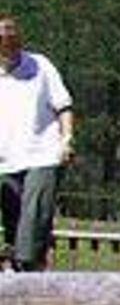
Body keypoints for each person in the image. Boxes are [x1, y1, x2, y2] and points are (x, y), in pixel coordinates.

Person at [0, 16, 74, 272]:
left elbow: (63, 105)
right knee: (14, 220)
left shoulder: (40, 65)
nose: (7, 46)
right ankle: (22, 269)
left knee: (33, 217)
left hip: (42, 154)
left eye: (10, 40)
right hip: (5, 159)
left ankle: (27, 267)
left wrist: (67, 139)